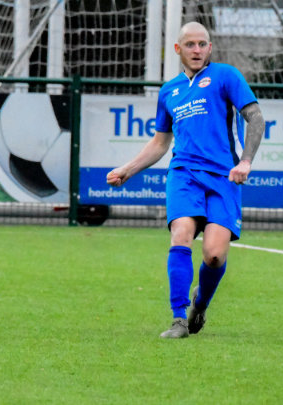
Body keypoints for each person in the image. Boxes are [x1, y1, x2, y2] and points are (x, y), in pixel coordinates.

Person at [106, 21, 266, 338]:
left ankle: (200, 304)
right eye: (190, 44)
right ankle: (178, 319)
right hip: (183, 174)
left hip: (223, 177)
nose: (197, 50)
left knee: (214, 255)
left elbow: (256, 117)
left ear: (210, 48)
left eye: (202, 44)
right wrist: (128, 169)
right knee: (181, 234)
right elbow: (160, 143)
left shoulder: (226, 76)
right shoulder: (170, 91)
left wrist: (246, 161)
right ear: (178, 49)